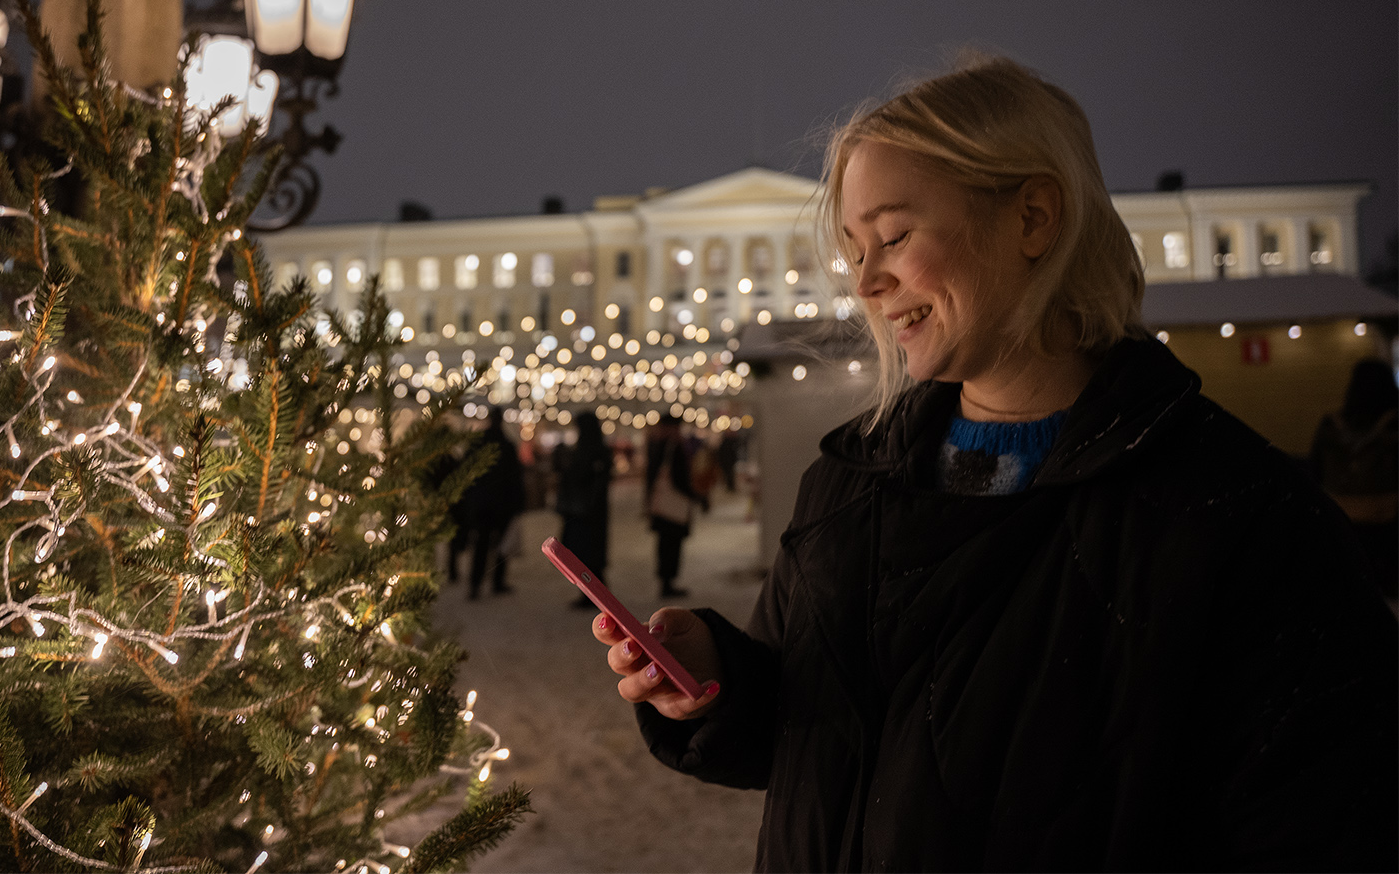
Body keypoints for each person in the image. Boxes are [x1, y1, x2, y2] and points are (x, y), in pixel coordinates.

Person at [590, 55, 1397, 871]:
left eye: (895, 236)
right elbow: (822, 738)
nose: (866, 281)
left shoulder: (1236, 520)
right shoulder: (846, 486)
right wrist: (717, 681)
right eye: (853, 249)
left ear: (1035, 217)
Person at [1310, 357, 1399, 600]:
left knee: (1354, 583)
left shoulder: (1331, 425)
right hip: (1387, 514)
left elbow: (1315, 469)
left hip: (1343, 511)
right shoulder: (1394, 423)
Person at [459, 407, 524, 599]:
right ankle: (495, 582)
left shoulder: (479, 444)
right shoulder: (505, 445)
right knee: (498, 546)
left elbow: (466, 473)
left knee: (482, 544)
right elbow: (515, 478)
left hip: (483, 504)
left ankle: (477, 583)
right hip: (500, 504)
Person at [556, 411, 614, 610]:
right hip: (588, 512)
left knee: (587, 555)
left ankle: (595, 595)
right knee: (587, 556)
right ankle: (595, 594)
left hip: (585, 513)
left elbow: (581, 478)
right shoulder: (595, 450)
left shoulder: (590, 451)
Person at [644, 414, 701, 599]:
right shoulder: (674, 447)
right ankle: (668, 583)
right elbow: (678, 480)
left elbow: (650, 477)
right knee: (672, 544)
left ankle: (665, 582)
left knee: (663, 544)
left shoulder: (655, 445)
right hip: (672, 506)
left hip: (661, 505)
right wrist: (695, 495)